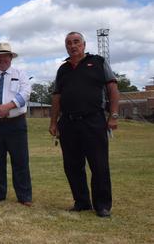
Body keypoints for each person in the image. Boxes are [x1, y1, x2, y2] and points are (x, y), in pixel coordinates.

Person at [49, 31, 119, 218]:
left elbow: (112, 89)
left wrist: (113, 115)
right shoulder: (62, 69)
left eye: (76, 42)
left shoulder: (98, 63)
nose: (73, 46)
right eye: (69, 43)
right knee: (72, 165)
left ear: (84, 44)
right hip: (68, 123)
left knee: (99, 164)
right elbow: (57, 97)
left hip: (93, 121)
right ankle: (81, 202)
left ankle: (102, 205)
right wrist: (53, 122)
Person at [0, 42, 33, 206]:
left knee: (20, 161)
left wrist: (8, 106)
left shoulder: (20, 74)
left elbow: (26, 93)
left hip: (16, 123)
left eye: (5, 56)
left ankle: (24, 196)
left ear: (11, 57)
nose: (2, 59)